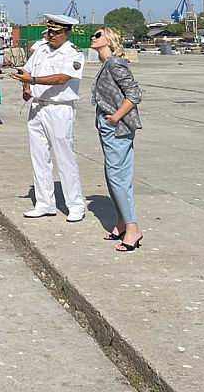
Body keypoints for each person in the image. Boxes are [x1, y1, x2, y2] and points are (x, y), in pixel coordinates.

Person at [9, 14, 86, 222]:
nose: (51, 35)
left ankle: (75, 204)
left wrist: (32, 79)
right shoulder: (42, 49)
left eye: (56, 32)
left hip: (60, 109)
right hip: (38, 107)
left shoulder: (73, 54)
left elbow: (62, 78)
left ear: (67, 33)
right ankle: (45, 203)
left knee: (65, 158)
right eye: (50, 31)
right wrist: (26, 86)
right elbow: (27, 69)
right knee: (39, 157)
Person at [90, 26, 143, 251]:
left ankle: (132, 229)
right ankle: (122, 221)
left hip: (117, 126)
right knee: (116, 174)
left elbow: (134, 93)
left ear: (109, 40)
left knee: (116, 176)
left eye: (98, 35)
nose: (93, 37)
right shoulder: (106, 64)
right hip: (109, 125)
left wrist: (116, 117)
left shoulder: (115, 63)